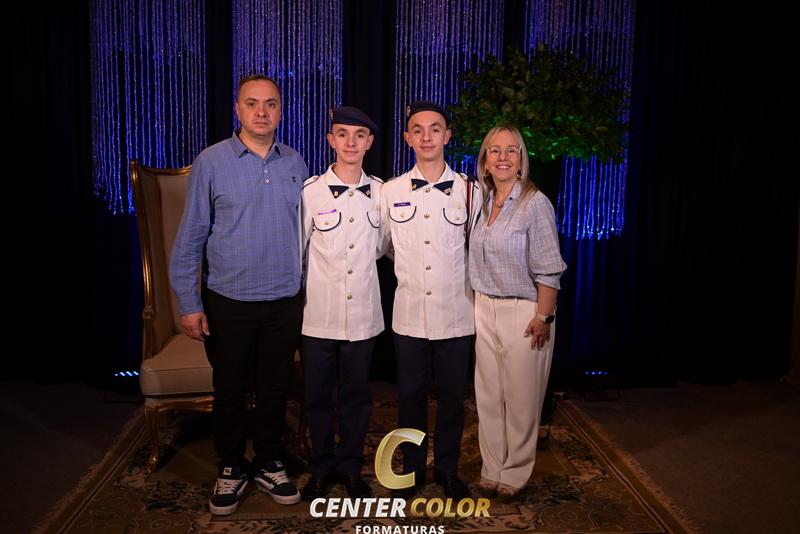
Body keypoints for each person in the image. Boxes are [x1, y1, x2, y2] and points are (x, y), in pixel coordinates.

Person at [170, 74, 308, 515]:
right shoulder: (211, 162)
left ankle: (269, 461)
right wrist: (188, 303)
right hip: (228, 299)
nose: (262, 112)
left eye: (270, 104)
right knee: (229, 388)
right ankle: (230, 465)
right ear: (238, 109)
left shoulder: (295, 162)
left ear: (280, 110)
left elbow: (308, 236)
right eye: (252, 103)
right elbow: (191, 236)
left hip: (284, 299)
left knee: (274, 388)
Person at [381, 101, 481, 499]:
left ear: (447, 136)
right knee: (410, 398)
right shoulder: (390, 191)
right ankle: (411, 471)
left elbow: (478, 247)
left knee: (454, 399)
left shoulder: (472, 191)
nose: (427, 137)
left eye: (435, 129)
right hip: (409, 315)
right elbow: (385, 246)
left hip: (456, 314)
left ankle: (448, 470)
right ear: (408, 138)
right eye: (418, 130)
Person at [468, 125, 567, 502]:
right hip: (484, 306)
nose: (503, 157)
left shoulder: (535, 203)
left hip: (525, 311)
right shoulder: (482, 202)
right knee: (489, 396)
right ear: (485, 161)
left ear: (522, 160)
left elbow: (549, 268)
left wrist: (544, 317)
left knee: (522, 399)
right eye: (495, 151)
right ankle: (492, 466)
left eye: (512, 150)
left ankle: (516, 470)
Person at [300, 106, 383, 500]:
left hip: (363, 315)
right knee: (316, 397)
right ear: (331, 140)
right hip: (318, 316)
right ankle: (320, 468)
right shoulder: (310, 192)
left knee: (356, 397)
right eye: (343, 134)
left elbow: (386, 247)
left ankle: (350, 468)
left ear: (370, 142)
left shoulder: (382, 193)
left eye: (359, 135)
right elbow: (299, 253)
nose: (351, 142)